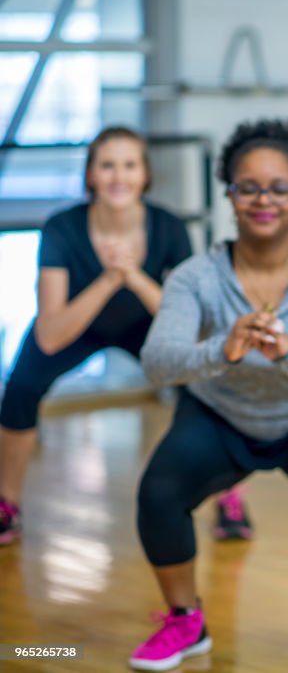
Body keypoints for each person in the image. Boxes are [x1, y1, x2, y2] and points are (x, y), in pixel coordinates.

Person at [129, 119, 288, 671]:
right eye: (249, 187)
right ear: (231, 194)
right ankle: (185, 623)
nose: (264, 199)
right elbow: (157, 360)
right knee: (158, 494)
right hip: (221, 413)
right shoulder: (195, 277)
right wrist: (224, 348)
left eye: (278, 187)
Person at [0, 126, 217, 546]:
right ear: (91, 175)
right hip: (79, 322)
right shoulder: (62, 228)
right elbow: (50, 334)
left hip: (146, 322)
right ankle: (7, 503)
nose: (119, 176)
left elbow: (187, 323)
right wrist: (108, 278)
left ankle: (228, 496)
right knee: (22, 387)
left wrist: (134, 278)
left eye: (129, 165)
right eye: (107, 165)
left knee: (212, 382)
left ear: (145, 175)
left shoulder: (169, 228)